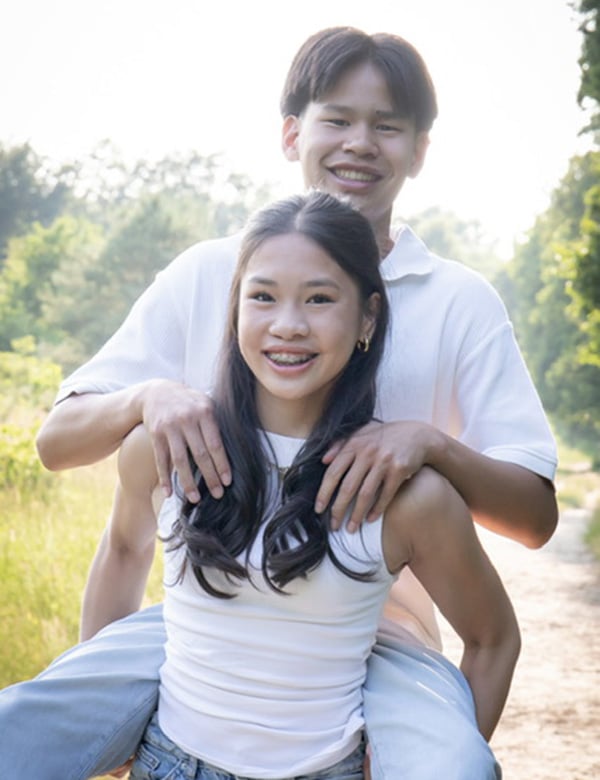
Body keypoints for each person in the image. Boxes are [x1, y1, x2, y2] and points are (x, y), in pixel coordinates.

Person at [0, 26, 557, 780]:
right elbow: (58, 444)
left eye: (387, 125)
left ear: (420, 150)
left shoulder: (460, 301)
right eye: (337, 118)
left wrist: (431, 445)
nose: (359, 142)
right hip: (212, 610)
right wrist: (148, 397)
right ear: (292, 131)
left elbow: (533, 519)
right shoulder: (210, 271)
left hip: (382, 638)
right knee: (25, 729)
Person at [93, 191, 520, 780]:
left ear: (368, 316)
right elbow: (121, 550)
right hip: (170, 764)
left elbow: (493, 638)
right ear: (235, 309)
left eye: (319, 299)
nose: (288, 326)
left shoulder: (407, 495)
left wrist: (431, 756)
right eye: (263, 297)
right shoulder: (166, 447)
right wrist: (105, 718)